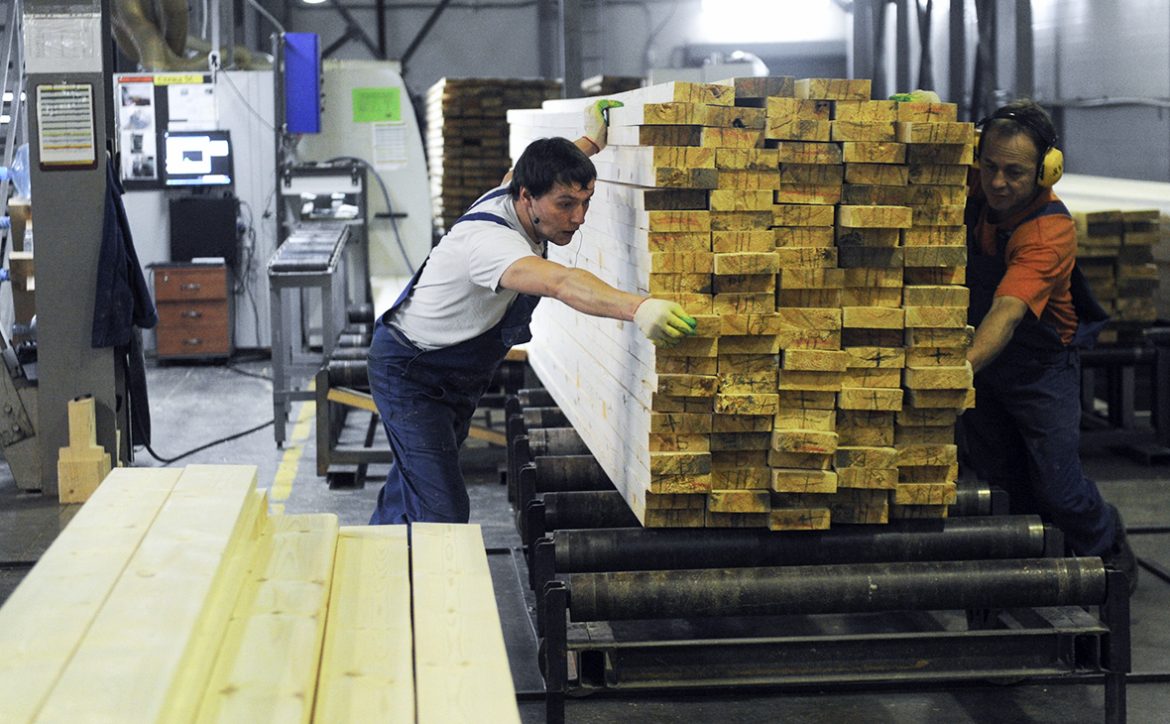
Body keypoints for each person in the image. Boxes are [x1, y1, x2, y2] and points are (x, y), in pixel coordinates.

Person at [367, 100, 698, 525]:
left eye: (586, 201)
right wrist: (640, 307)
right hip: (412, 373)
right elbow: (562, 282)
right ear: (527, 197)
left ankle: (380, 550)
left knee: (414, 480)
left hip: (449, 372)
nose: (578, 217)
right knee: (440, 511)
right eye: (565, 204)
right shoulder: (491, 244)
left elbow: (530, 172)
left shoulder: (519, 188)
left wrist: (591, 141)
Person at [959, 99, 1137, 593]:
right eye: (989, 166)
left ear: (1045, 171)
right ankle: (1031, 574)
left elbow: (1007, 311)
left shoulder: (1048, 230)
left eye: (1014, 173)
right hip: (985, 365)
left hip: (1039, 369)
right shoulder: (979, 185)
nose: (997, 182)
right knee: (1002, 482)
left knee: (1059, 488)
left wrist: (956, 371)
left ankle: (1107, 545)